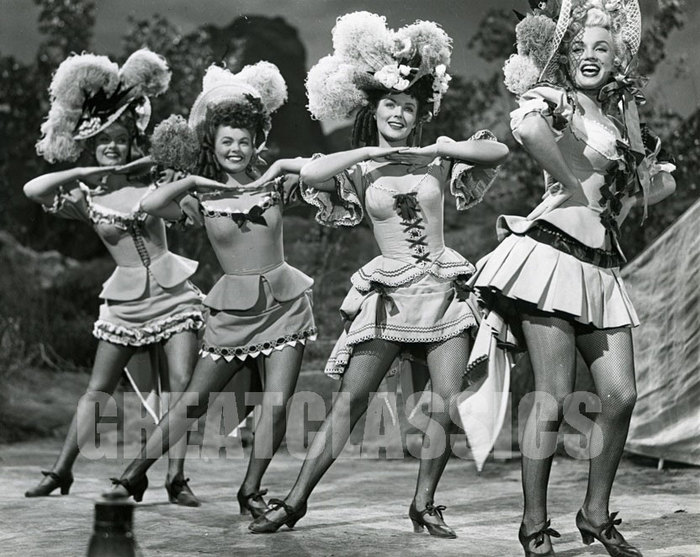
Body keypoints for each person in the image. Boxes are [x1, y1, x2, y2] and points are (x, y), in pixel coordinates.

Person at [248, 12, 508, 537]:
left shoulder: (436, 161)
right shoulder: (360, 167)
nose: (398, 113)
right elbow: (314, 172)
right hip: (389, 295)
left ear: (419, 114)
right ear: (375, 109)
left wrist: (442, 147)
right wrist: (368, 150)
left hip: (444, 291)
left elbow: (497, 150)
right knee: (351, 401)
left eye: (408, 106)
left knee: (444, 402)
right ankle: (294, 502)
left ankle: (424, 503)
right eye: (390, 103)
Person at [472, 1, 676, 555]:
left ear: (617, 61)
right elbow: (526, 126)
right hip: (551, 259)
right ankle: (533, 523)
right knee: (555, 395)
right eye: (580, 47)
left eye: (601, 48)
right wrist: (565, 180)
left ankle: (594, 513)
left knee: (620, 394)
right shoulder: (556, 98)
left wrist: (629, 197)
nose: (589, 55)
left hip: (600, 267)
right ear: (566, 56)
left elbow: (661, 183)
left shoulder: (619, 124)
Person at [103, 62, 318, 518]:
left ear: (255, 142)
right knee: (193, 401)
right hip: (232, 311)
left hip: (285, 305)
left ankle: (250, 490)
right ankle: (134, 473)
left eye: (244, 141)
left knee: (276, 404)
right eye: (226, 142)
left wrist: (281, 165)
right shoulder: (199, 197)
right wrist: (195, 180)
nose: (236, 149)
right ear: (212, 145)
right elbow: (151, 204)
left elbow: (321, 171)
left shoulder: (275, 182)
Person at [23, 49, 205, 506]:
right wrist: (90, 171)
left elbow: (187, 211)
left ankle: (176, 478)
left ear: (131, 143)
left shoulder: (153, 184)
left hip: (173, 295)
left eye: (120, 140)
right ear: (92, 144)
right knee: (97, 389)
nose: (112, 147)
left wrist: (164, 179)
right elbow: (34, 189)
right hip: (124, 302)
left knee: (181, 385)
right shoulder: (86, 198)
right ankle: (61, 470)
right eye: (104, 140)